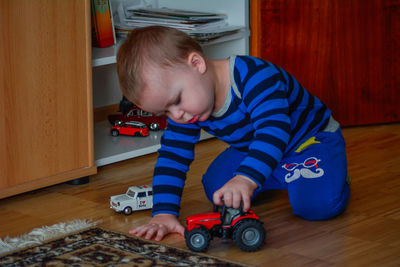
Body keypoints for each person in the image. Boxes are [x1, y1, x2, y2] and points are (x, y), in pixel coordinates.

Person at [116, 26, 350, 241]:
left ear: (196, 64)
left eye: (176, 101)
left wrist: (245, 179)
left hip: (307, 141)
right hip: (256, 147)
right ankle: (276, 174)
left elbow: (273, 131)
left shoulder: (255, 77)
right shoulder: (187, 111)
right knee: (215, 186)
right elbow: (172, 157)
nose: (177, 115)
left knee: (316, 205)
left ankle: (332, 172)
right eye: (165, 112)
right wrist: (164, 212)